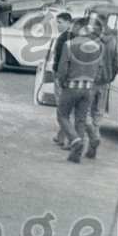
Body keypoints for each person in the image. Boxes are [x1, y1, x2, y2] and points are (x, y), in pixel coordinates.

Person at [56, 21, 104, 163]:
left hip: (71, 86)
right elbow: (100, 68)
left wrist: (62, 81)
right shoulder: (97, 47)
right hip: (88, 87)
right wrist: (92, 81)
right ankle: (77, 153)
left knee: (62, 115)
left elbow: (63, 67)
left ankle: (75, 141)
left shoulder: (69, 45)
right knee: (81, 119)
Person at [86, 14, 118, 159]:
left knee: (83, 113)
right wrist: (110, 77)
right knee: (97, 115)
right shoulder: (113, 40)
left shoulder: (90, 38)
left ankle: (93, 137)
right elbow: (117, 62)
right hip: (105, 82)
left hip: (89, 81)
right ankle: (91, 148)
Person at [48, 11, 74, 147]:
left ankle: (67, 137)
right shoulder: (76, 36)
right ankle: (61, 136)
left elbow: (60, 60)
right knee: (67, 108)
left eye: (60, 22)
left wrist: (59, 76)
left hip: (61, 75)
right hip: (72, 76)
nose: (57, 25)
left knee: (62, 108)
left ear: (68, 23)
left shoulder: (64, 37)